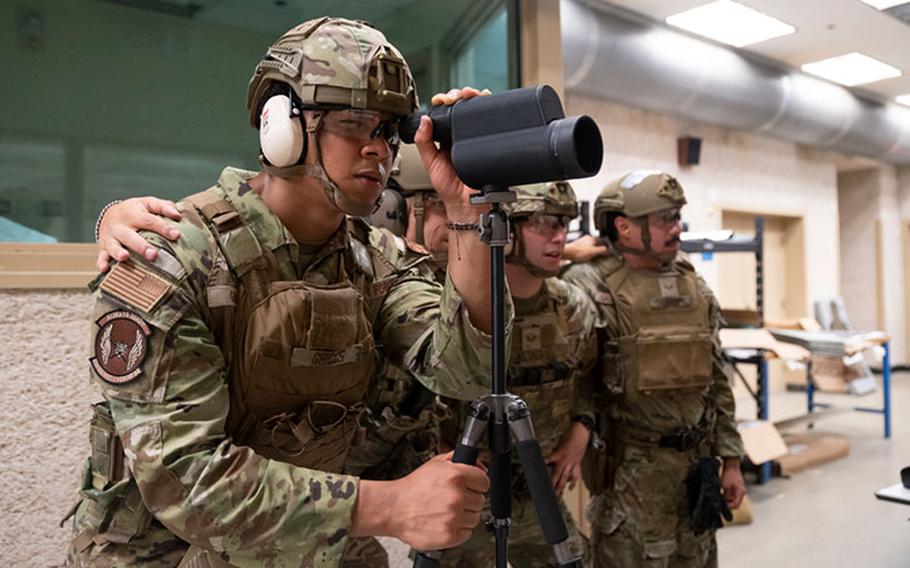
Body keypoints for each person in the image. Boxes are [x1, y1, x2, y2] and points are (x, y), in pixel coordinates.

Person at [64, 17, 503, 567]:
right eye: (354, 123)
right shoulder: (175, 258)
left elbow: (464, 366)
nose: (379, 150)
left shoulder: (377, 260)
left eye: (389, 131)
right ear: (282, 126)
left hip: (305, 548)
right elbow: (187, 481)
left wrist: (467, 211)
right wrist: (387, 506)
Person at [561, 170, 747, 568]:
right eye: (664, 218)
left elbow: (716, 380)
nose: (676, 228)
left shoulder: (693, 286)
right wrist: (561, 256)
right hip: (632, 475)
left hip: (695, 473)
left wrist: (731, 460)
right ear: (624, 227)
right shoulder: (588, 284)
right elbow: (573, 377)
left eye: (677, 216)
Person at [437, 181, 597, 567]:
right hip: (466, 502)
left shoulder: (572, 308)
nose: (558, 237)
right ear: (505, 231)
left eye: (562, 224)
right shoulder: (462, 308)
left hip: (541, 496)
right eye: (543, 224)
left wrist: (582, 428)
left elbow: (589, 378)